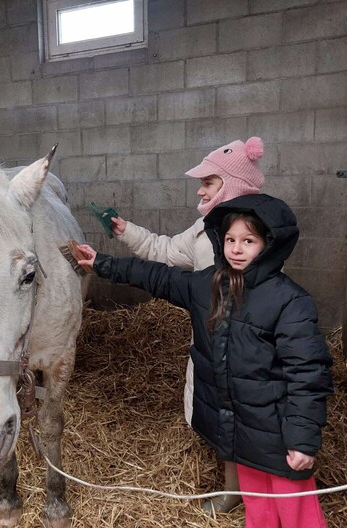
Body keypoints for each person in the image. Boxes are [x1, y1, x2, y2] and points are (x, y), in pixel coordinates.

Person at [78, 193, 333, 528]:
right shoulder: (210, 284)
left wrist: (302, 440)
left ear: (270, 244)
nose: (236, 249)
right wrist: (103, 264)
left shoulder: (289, 302)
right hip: (243, 429)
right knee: (259, 507)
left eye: (248, 241)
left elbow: (308, 375)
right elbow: (160, 277)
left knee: (295, 511)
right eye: (230, 239)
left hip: (278, 432)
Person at [109, 136, 266, 514]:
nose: (199, 189)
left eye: (208, 183)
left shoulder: (250, 237)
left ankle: (239, 491)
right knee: (221, 407)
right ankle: (236, 483)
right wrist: (125, 230)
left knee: (239, 410)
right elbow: (163, 251)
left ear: (230, 185)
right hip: (209, 335)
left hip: (243, 343)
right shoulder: (202, 231)